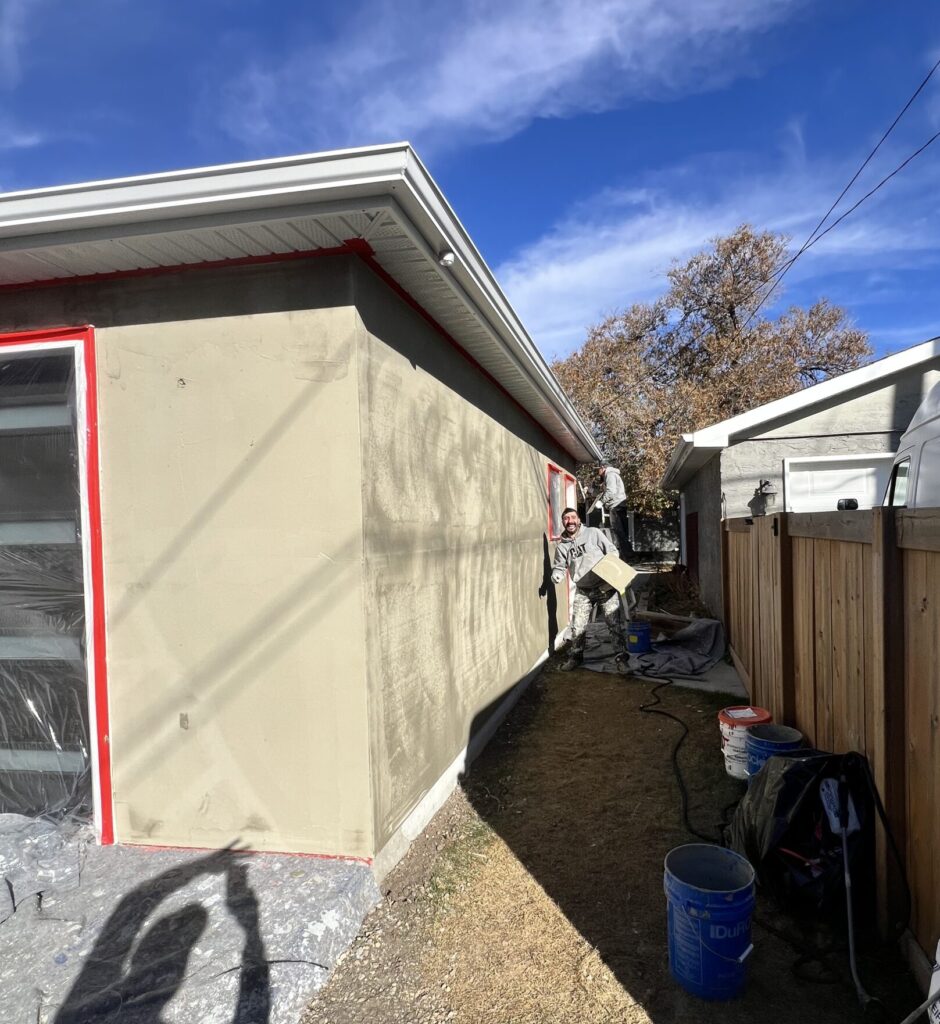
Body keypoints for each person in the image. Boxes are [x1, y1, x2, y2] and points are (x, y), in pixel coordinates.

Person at [551, 507, 629, 672]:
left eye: (573, 517)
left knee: (614, 625)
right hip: (583, 590)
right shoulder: (562, 547)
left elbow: (612, 550)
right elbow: (559, 566)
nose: (570, 521)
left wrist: (613, 565)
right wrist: (556, 574)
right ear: (563, 522)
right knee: (578, 627)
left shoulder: (593, 533)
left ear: (579, 520)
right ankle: (575, 658)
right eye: (566, 518)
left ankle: (621, 660)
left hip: (604, 587)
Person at [596, 463, 634, 563]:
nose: (597, 472)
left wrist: (602, 501)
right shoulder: (612, 475)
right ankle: (628, 557)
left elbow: (611, 491)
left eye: (598, 469)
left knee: (619, 533)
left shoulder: (610, 474)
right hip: (620, 506)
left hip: (616, 506)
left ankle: (628, 558)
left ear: (603, 467)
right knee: (623, 534)